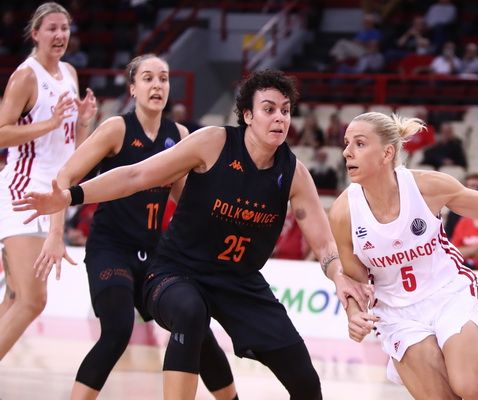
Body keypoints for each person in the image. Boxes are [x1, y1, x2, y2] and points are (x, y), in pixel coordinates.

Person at [14, 69, 373, 400]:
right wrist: (72, 195)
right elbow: (136, 175)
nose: (279, 117)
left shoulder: (293, 173)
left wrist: (338, 276)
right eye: (268, 109)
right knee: (189, 311)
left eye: (285, 110)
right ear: (248, 115)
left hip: (240, 282)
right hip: (177, 271)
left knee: (306, 381)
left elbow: (324, 244)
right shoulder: (213, 143)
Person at [32, 54, 237, 400]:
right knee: (117, 331)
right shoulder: (117, 128)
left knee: (197, 326)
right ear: (132, 88)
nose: (157, 85)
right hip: (111, 250)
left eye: (163, 78)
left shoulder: (180, 135)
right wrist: (55, 234)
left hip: (157, 255)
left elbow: (187, 198)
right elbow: (64, 177)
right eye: (148, 78)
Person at [329, 112, 478, 399]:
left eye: (360, 143)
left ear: (387, 153)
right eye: (346, 143)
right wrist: (354, 314)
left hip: (446, 294)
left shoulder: (427, 187)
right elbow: (355, 280)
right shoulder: (343, 212)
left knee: (470, 388)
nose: (347, 152)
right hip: (396, 313)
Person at [0, 2, 97, 360]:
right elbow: (2, 133)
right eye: (52, 28)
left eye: (64, 28)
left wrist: (83, 122)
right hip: (22, 192)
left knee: (15, 298)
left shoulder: (69, 73)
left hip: (53, 195)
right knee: (32, 301)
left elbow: (71, 152)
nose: (59, 35)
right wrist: (50, 124)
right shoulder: (26, 77)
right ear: (35, 33)